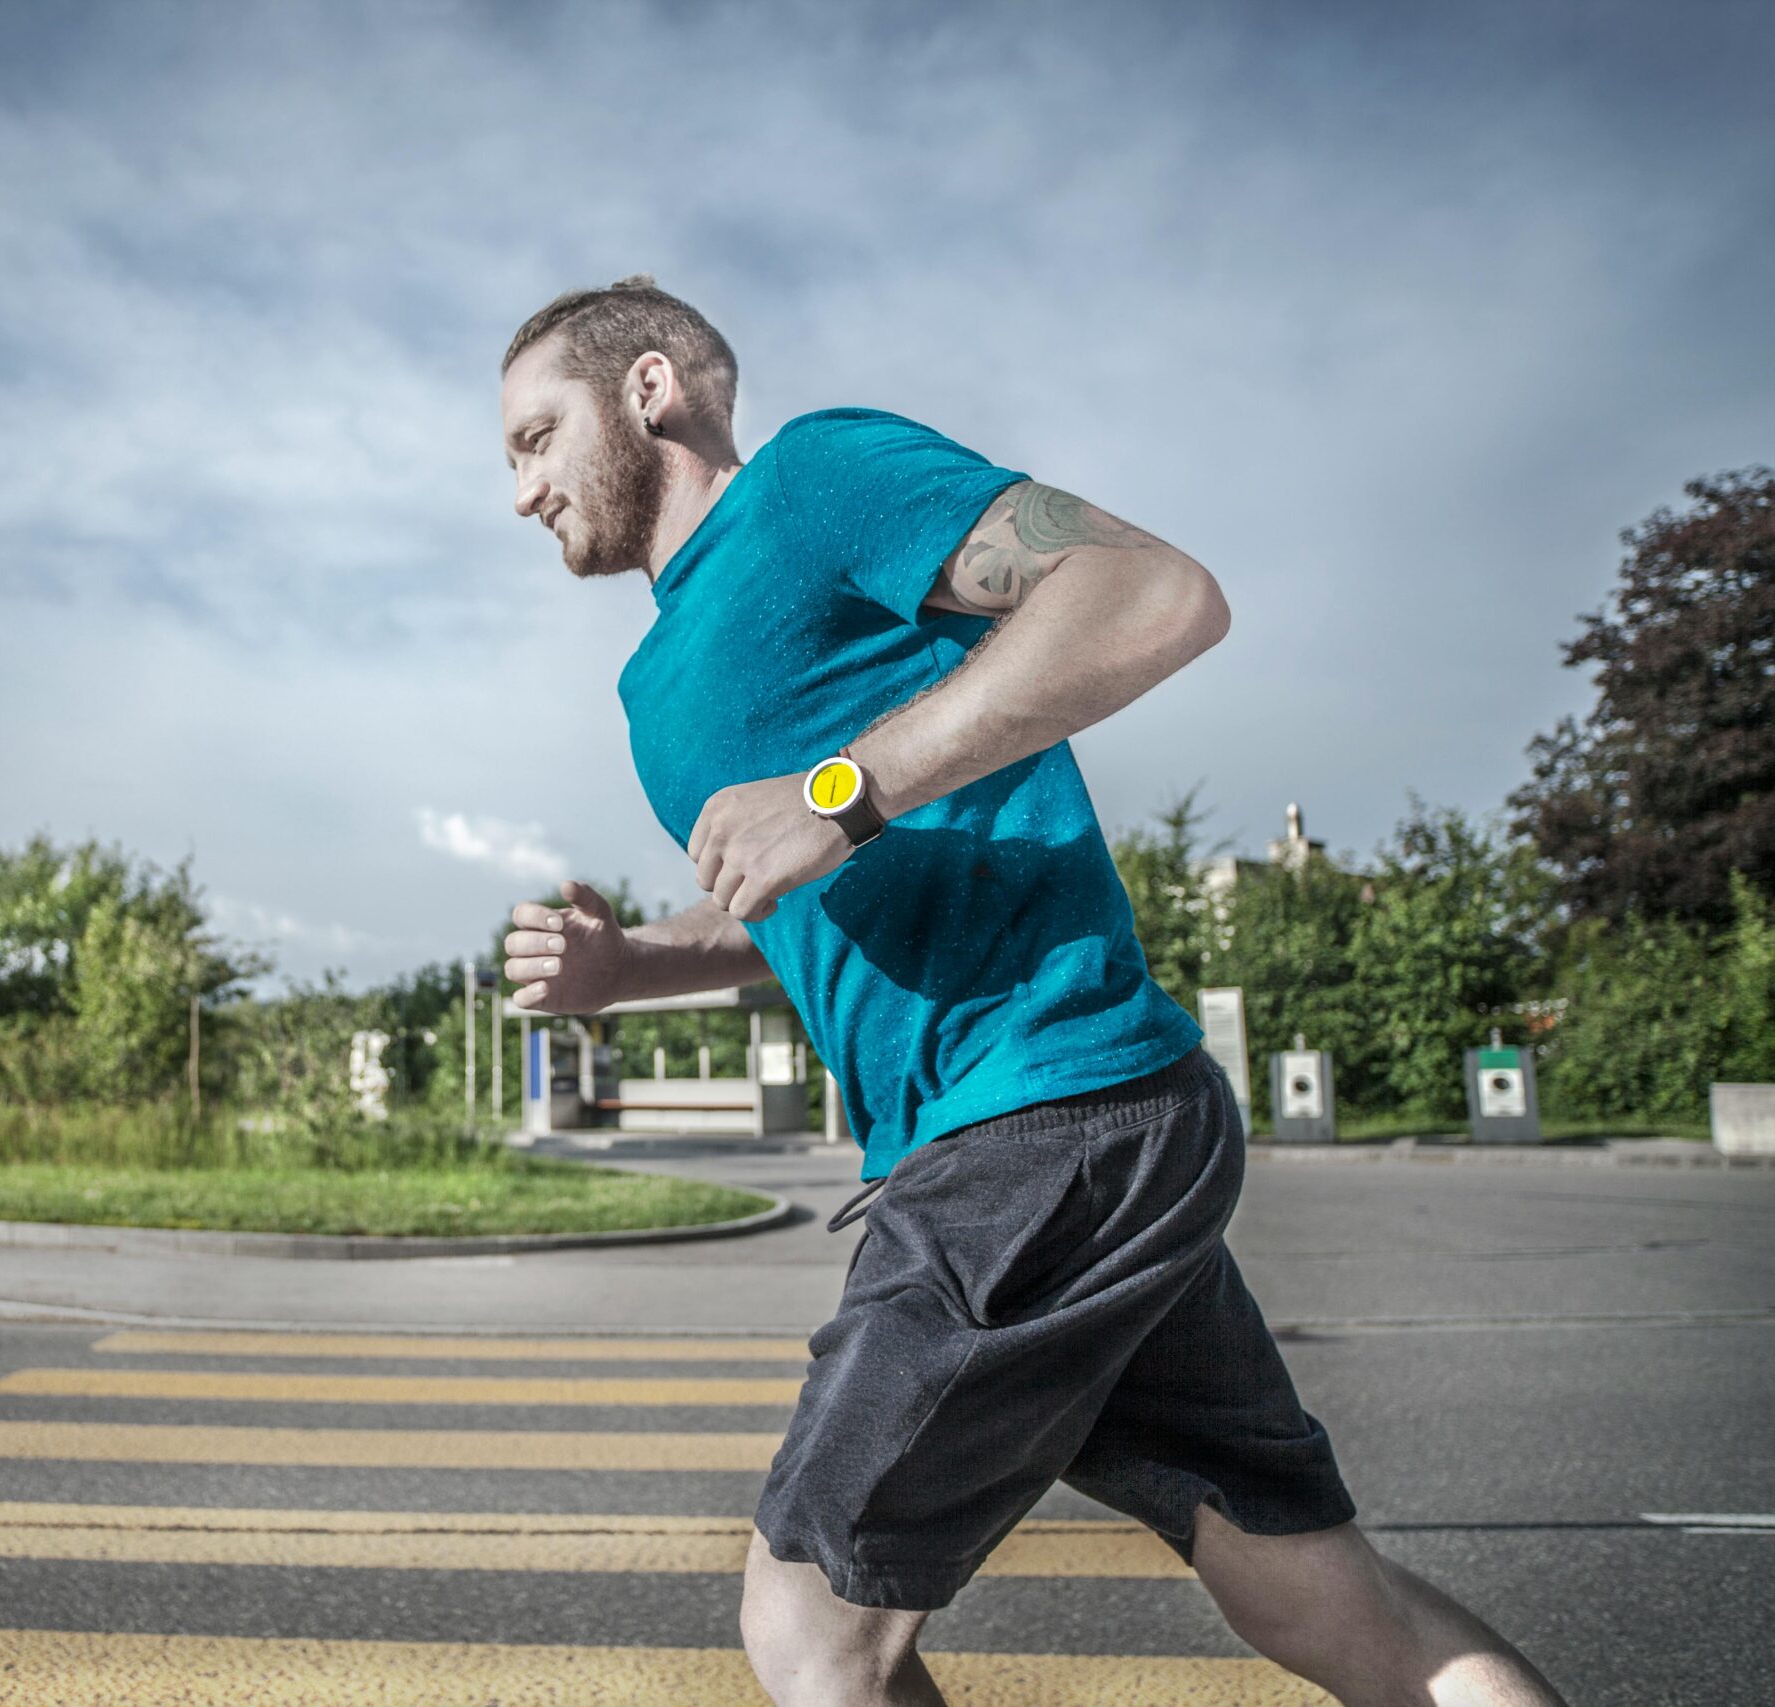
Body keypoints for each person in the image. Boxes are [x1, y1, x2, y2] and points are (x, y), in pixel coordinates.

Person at [496, 275, 1567, 1707]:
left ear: (646, 390)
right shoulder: (652, 692)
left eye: (533, 437)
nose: (522, 492)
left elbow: (1154, 592)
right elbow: (809, 906)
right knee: (1317, 1595)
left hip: (1037, 1112)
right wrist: (630, 966)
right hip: (1053, 1135)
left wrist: (843, 787)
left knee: (813, 1627)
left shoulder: (817, 481)